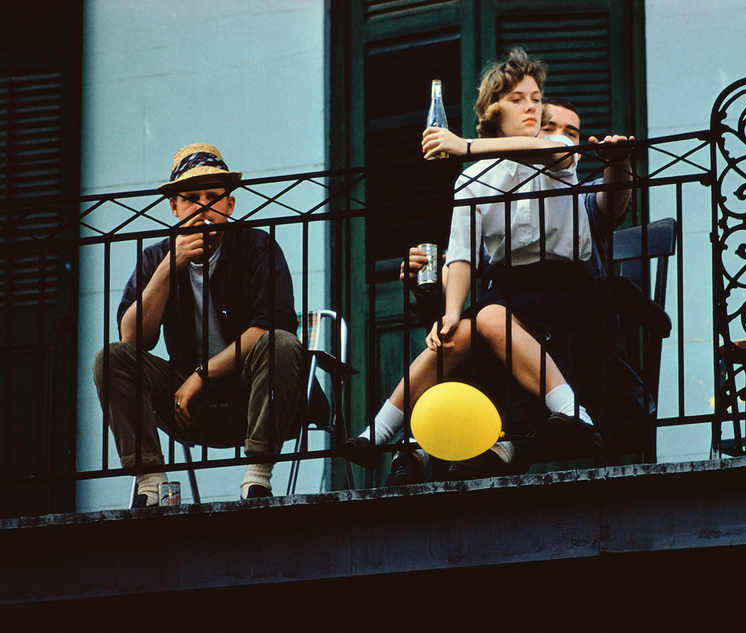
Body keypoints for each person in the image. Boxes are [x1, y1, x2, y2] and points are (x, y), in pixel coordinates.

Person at [346, 49, 635, 482]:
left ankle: (571, 411)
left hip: (562, 289)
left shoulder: (555, 147)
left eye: (536, 97)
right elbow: (461, 254)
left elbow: (547, 153)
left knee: (489, 316)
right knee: (454, 335)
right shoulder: (473, 177)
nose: (533, 107)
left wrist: (463, 146)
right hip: (508, 292)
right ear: (492, 109)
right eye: (518, 99)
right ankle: (378, 433)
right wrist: (447, 313)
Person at [93, 143, 315, 507]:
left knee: (283, 343)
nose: (203, 208)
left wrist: (201, 376)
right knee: (111, 358)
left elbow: (270, 327)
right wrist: (169, 267)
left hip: (250, 392)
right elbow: (132, 339)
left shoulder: (256, 246)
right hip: (186, 407)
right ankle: (150, 485)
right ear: (174, 207)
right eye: (192, 198)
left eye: (213, 197)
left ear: (230, 204)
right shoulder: (155, 258)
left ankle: (257, 479)